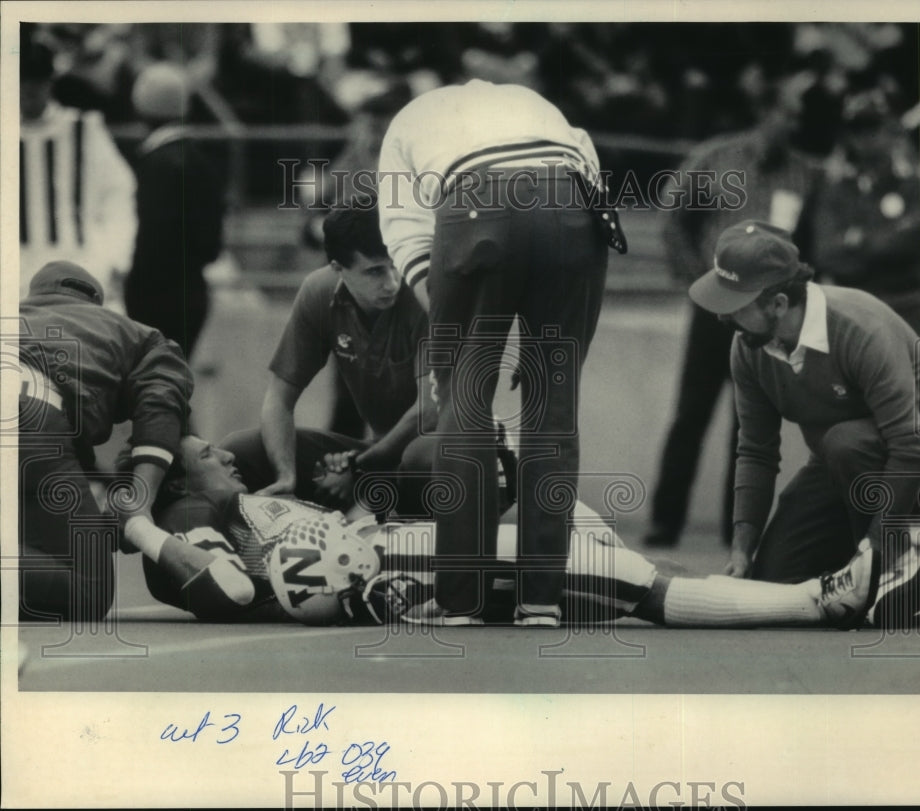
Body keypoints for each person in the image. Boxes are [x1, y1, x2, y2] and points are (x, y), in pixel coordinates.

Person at [131, 433, 901, 631]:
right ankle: (818, 599)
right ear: (171, 482)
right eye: (203, 453)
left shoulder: (236, 505)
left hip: (400, 546)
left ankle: (802, 596)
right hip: (401, 572)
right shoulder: (188, 523)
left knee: (577, 528)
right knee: (621, 581)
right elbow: (233, 588)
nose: (224, 452)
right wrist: (134, 522)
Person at [378, 79, 619, 627]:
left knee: (466, 399)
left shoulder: (406, 126)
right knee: (553, 405)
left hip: (477, 200)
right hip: (571, 203)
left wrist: (452, 330)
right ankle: (541, 601)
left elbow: (408, 237)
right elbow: (588, 167)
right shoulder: (538, 102)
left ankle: (460, 598)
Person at [688, 220, 920, 627]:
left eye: (734, 303)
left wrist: (876, 551)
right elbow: (755, 451)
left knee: (845, 442)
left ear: (777, 304)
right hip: (842, 463)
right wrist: (742, 549)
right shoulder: (748, 346)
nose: (723, 317)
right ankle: (858, 577)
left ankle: (900, 566)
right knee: (773, 585)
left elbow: (912, 445)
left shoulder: (861, 328)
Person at [645, 76, 819, 549]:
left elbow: (814, 241)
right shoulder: (718, 159)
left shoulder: (806, 174)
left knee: (751, 423)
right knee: (691, 415)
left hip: (765, 314)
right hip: (715, 308)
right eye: (788, 113)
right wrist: (694, 280)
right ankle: (665, 521)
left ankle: (736, 529)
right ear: (765, 113)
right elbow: (675, 217)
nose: (796, 123)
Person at [18, 261, 201, 622]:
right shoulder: (133, 332)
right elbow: (161, 402)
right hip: (32, 416)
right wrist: (141, 498)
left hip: (33, 423)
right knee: (88, 590)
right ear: (96, 302)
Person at [242, 196, 432, 509]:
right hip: (377, 451)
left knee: (421, 458)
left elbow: (430, 411)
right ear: (337, 269)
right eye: (374, 272)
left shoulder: (423, 289)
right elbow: (278, 399)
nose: (392, 283)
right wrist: (286, 476)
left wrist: (358, 467)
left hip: (455, 450)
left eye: (394, 265)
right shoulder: (318, 291)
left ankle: (428, 550)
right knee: (243, 451)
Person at [801, 88, 920, 334]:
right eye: (856, 129)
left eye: (872, 127)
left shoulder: (918, 186)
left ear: (891, 129)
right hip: (856, 311)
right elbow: (826, 253)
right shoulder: (835, 191)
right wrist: (893, 238)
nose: (864, 137)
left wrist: (859, 241)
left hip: (911, 310)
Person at [19, 38, 137, 308]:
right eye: (22, 82)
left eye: (35, 82)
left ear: (49, 83)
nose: (27, 90)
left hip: (76, 268)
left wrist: (115, 257)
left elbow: (118, 193)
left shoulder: (84, 130)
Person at [124, 62, 226, 358]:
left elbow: (150, 243)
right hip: (192, 293)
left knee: (149, 394)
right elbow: (211, 245)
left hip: (153, 298)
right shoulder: (201, 160)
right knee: (172, 392)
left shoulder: (156, 165)